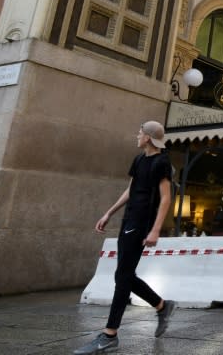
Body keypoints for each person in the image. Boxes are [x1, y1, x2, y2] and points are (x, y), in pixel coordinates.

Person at [74, 121, 175, 355]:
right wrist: (109, 212)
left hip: (142, 224)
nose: (136, 136)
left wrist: (156, 229)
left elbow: (166, 198)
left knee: (123, 276)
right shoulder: (139, 159)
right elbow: (131, 189)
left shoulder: (162, 162)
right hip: (128, 221)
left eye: (140, 133)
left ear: (148, 137)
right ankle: (162, 305)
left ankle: (110, 334)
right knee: (125, 275)